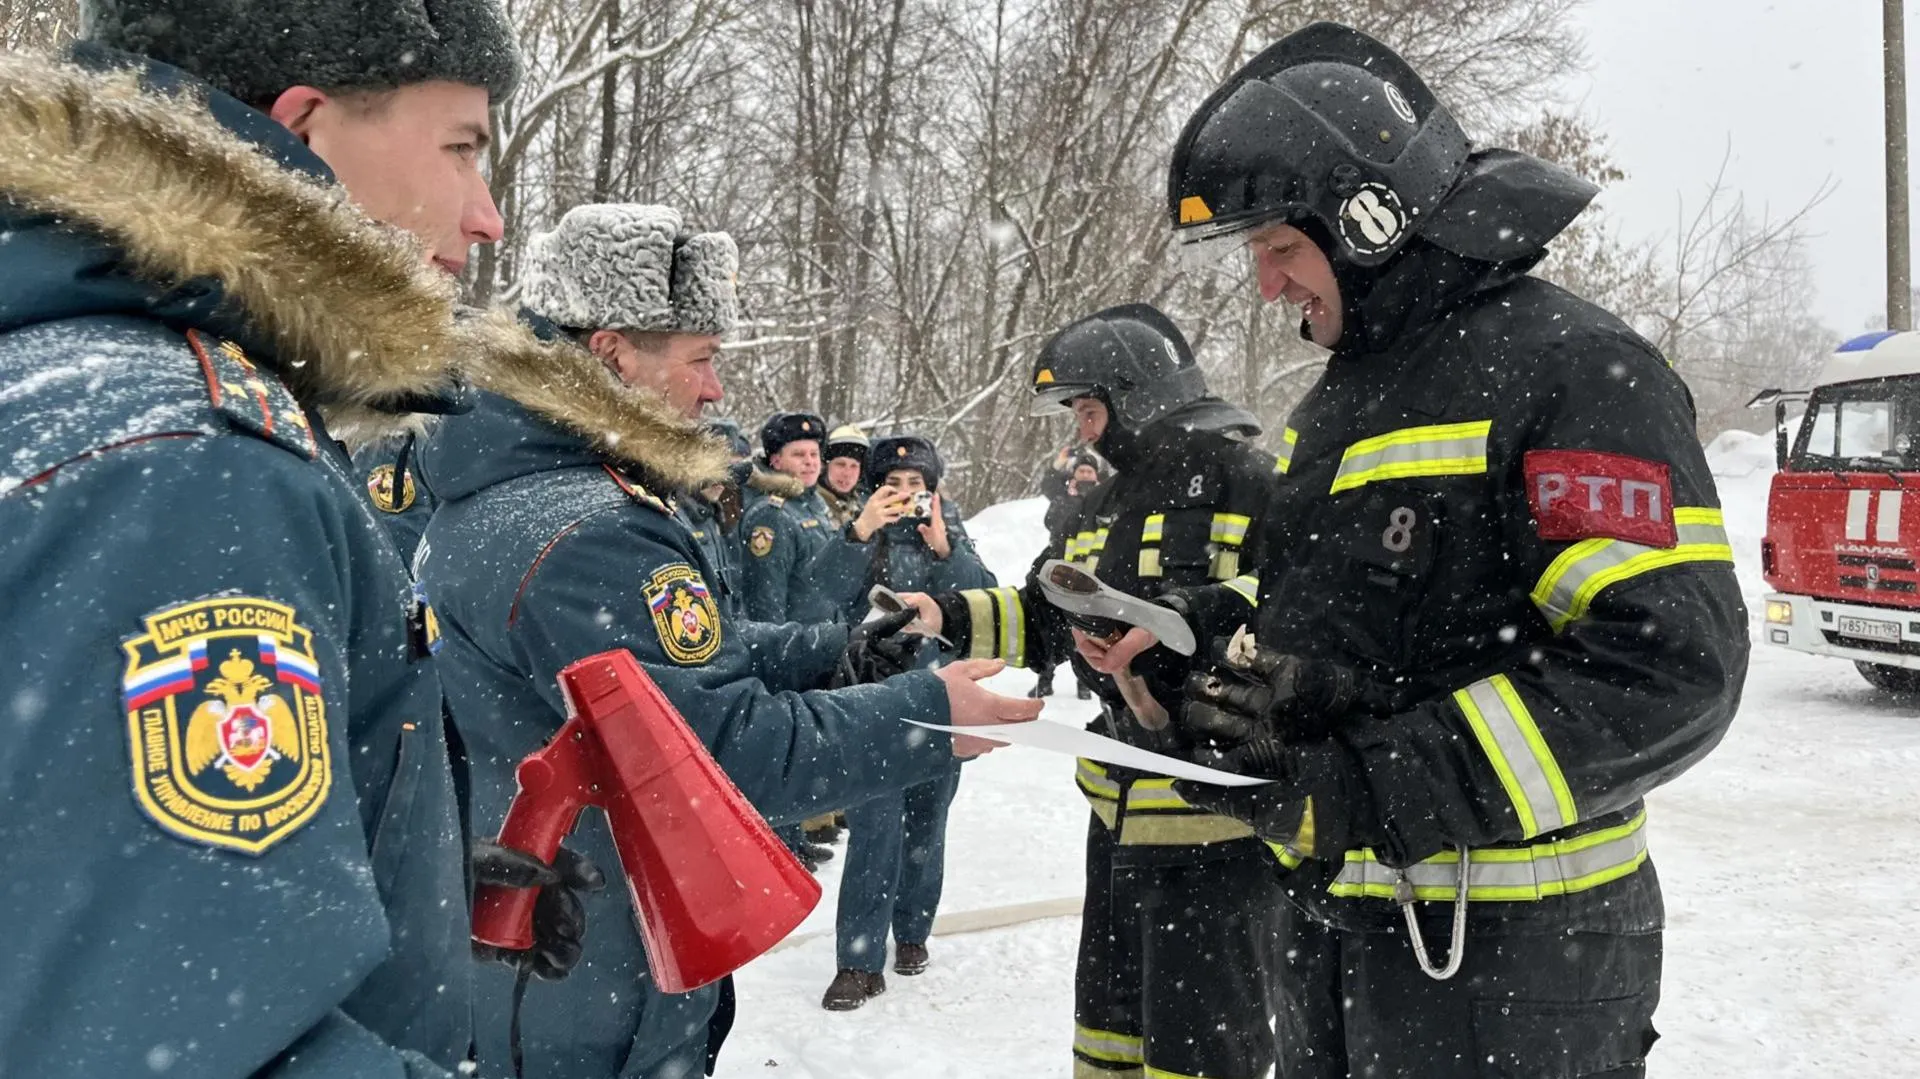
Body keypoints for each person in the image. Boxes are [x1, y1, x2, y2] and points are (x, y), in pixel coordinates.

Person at [1087, 22, 1748, 1078]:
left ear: (1369, 217)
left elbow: (1665, 670)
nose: (1268, 286)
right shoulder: (1344, 401)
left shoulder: (1570, 367)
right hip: (1343, 943)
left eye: (1282, 249)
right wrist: (1230, 666)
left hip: (1514, 973)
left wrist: (1375, 785)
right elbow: (1375, 633)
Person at [0, 2, 601, 1075]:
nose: (488, 217)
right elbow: (165, 1040)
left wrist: (422, 880)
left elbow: (76, 882)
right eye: (462, 147)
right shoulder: (195, 459)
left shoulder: (88, 383)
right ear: (308, 128)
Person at [415, 202, 1043, 1079]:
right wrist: (926, 712)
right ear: (613, 354)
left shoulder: (508, 493)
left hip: (539, 940)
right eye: (700, 359)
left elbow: (651, 667)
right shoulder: (593, 531)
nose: (713, 390)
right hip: (590, 964)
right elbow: (714, 757)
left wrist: (833, 652)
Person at [899, 304, 1285, 1079]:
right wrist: (940, 615)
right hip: (1114, 806)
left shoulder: (1248, 481)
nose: (1082, 432)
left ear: (1138, 395)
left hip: (1213, 814)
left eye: (1089, 409)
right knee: (1109, 1023)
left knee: (1206, 1038)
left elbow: (1290, 602)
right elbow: (1041, 613)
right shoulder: (1094, 506)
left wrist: (1190, 624)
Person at [801, 435, 996, 1009]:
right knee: (873, 830)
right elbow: (815, 598)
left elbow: (987, 603)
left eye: (918, 485)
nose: (906, 495)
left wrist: (947, 550)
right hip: (874, 708)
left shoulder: (951, 539)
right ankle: (858, 961)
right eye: (894, 484)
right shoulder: (859, 536)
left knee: (927, 825)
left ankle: (912, 931)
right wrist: (857, 533)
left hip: (942, 705)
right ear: (874, 488)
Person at [739, 411, 837, 623]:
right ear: (776, 461)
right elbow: (765, 601)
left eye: (814, 454)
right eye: (799, 455)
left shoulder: (815, 504)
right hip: (797, 646)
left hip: (825, 641)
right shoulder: (771, 515)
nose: (810, 462)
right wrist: (780, 649)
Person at [1033, 452, 1106, 699]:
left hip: (1089, 572)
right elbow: (1051, 521)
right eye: (1081, 471)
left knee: (1083, 628)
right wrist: (1068, 496)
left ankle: (1084, 683)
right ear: (1073, 475)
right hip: (1057, 567)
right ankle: (1045, 678)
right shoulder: (1063, 497)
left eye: (1090, 471)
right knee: (1049, 625)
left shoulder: (1104, 497)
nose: (1085, 475)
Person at [819, 423, 871, 526]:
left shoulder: (860, 506)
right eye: (840, 464)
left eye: (854, 466)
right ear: (825, 466)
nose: (847, 473)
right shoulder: (814, 507)